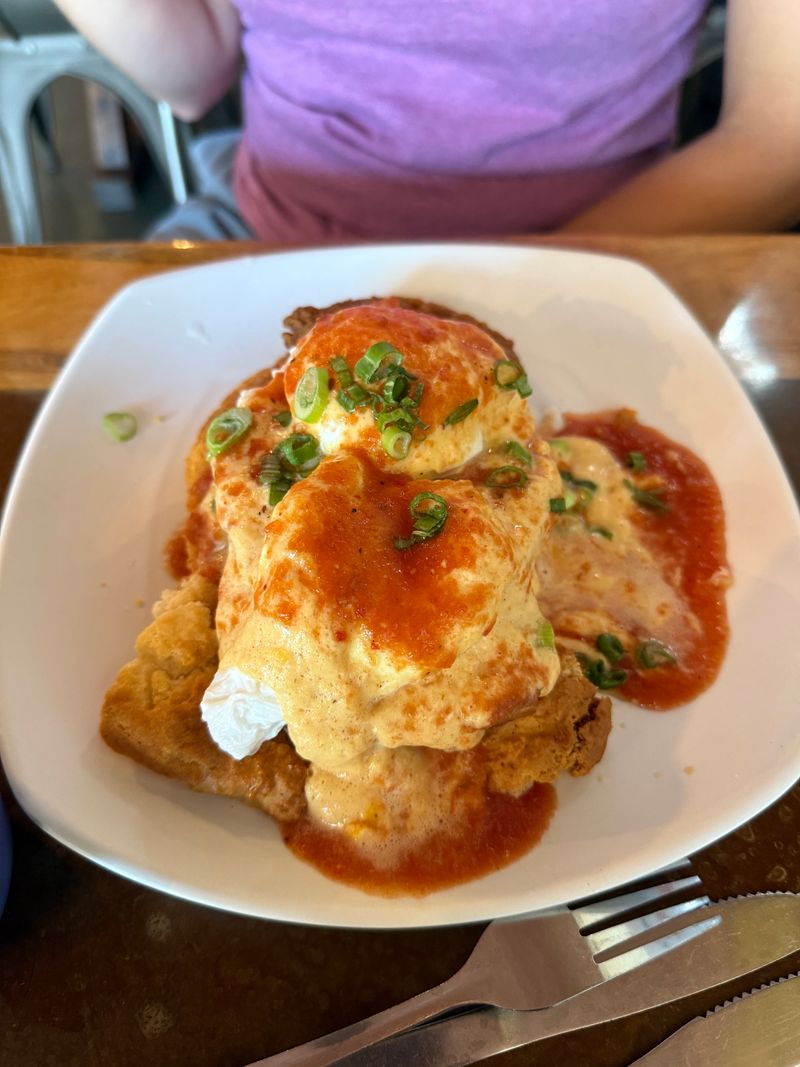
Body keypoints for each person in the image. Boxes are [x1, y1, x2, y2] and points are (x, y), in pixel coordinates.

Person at [54, 0, 800, 243]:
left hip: (623, 255)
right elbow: (193, 72)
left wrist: (499, 295)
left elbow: (775, 136)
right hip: (266, 230)